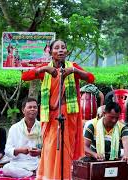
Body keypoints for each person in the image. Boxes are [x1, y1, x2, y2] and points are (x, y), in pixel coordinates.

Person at [21, 39, 95, 180]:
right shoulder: (46, 68)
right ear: (51, 52)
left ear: (66, 51)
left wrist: (74, 71)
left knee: (66, 148)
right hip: (51, 115)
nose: (60, 50)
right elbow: (25, 76)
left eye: (63, 47)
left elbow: (91, 78)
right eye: (57, 48)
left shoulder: (72, 67)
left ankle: (65, 177)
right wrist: (44, 69)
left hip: (69, 115)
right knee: (50, 148)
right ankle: (49, 176)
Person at [2, 97, 42, 178]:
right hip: (18, 163)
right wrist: (20, 150)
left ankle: (34, 172)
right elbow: (7, 150)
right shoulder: (14, 128)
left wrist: (40, 151)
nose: (33, 109)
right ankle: (32, 174)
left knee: (52, 166)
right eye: (30, 107)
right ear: (23, 110)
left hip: (37, 162)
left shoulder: (42, 126)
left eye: (35, 107)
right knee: (6, 169)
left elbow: (48, 149)